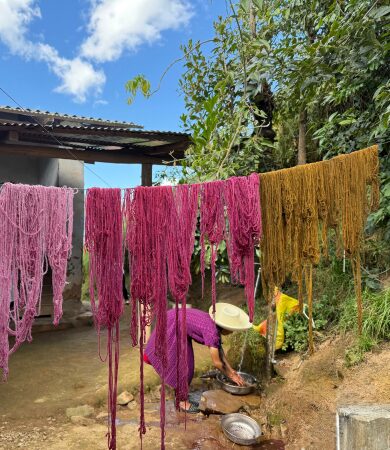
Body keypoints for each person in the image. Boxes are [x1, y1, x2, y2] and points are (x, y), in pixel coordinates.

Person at [144, 302, 252, 413]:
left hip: (174, 318)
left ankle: (181, 395)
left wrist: (232, 371)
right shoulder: (212, 332)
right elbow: (217, 362)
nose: (232, 332)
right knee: (184, 366)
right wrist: (230, 376)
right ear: (225, 328)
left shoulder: (213, 324)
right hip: (173, 324)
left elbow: (220, 351)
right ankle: (182, 402)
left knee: (186, 364)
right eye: (232, 329)